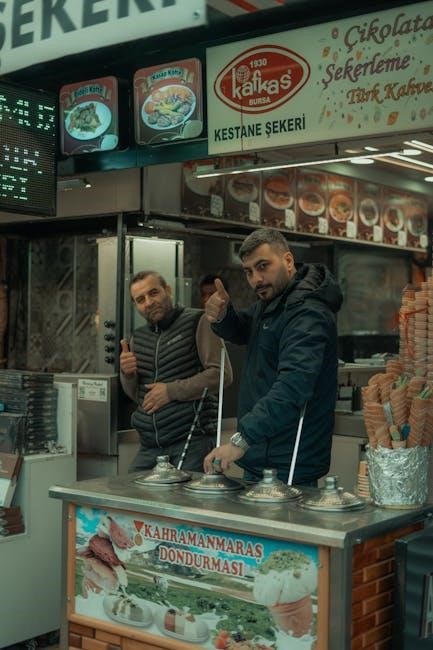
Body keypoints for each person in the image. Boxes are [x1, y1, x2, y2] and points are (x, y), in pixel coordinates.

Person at [203, 228, 342, 485]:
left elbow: (293, 386)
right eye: (249, 271)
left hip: (289, 462)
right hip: (261, 454)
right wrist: (223, 316)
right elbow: (245, 328)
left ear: (288, 261)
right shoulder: (274, 304)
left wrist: (241, 440)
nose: (256, 279)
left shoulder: (307, 313)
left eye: (263, 266)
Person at [120, 270, 233, 472]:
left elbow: (221, 374)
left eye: (153, 293)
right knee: (128, 490)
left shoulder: (199, 321)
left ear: (168, 290)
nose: (148, 302)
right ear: (135, 305)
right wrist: (127, 375)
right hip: (149, 447)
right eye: (140, 299)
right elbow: (138, 395)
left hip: (191, 442)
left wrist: (171, 391)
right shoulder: (138, 338)